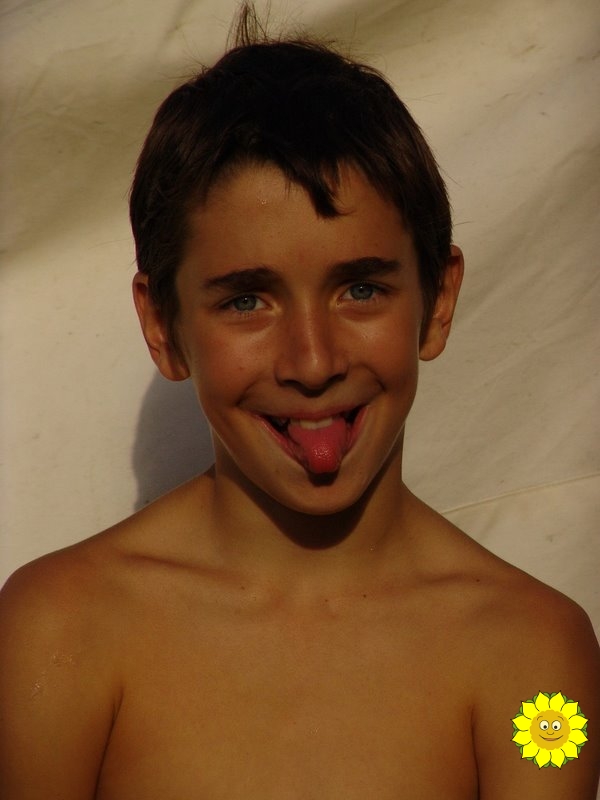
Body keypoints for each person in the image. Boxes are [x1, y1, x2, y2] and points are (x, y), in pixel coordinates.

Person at [1, 5, 598, 798]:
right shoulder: (56, 630)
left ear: (439, 300)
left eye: (361, 289)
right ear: (162, 326)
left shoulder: (535, 662)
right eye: (247, 301)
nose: (313, 363)